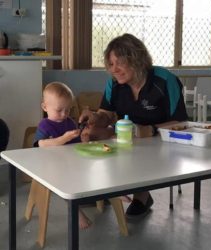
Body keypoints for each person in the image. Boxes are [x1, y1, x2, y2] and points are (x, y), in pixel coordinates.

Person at [79, 33, 188, 218]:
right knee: (91, 135)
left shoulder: (164, 80)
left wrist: (151, 129)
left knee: (138, 152)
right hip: (129, 138)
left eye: (119, 63)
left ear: (136, 59)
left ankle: (141, 196)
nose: (114, 69)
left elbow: (182, 122)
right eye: (111, 64)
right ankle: (101, 188)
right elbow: (106, 115)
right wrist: (95, 118)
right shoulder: (114, 84)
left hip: (163, 142)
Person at [33, 81, 91, 229]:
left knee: (93, 169)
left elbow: (76, 145)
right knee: (66, 185)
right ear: (45, 107)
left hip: (70, 163)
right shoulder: (44, 125)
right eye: (59, 110)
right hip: (50, 167)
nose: (64, 114)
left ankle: (111, 194)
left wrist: (84, 139)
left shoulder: (69, 122)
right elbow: (40, 144)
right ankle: (78, 213)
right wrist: (63, 139)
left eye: (68, 110)